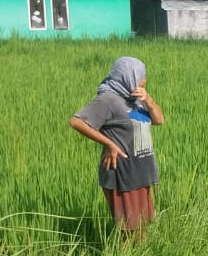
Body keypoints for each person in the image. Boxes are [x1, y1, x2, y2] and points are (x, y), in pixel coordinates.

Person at [69, 56, 164, 234]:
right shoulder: (107, 100)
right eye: (141, 77)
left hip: (141, 170)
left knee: (142, 225)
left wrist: (149, 100)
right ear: (128, 76)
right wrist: (110, 144)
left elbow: (159, 120)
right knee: (128, 229)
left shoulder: (135, 97)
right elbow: (76, 122)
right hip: (122, 173)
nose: (144, 81)